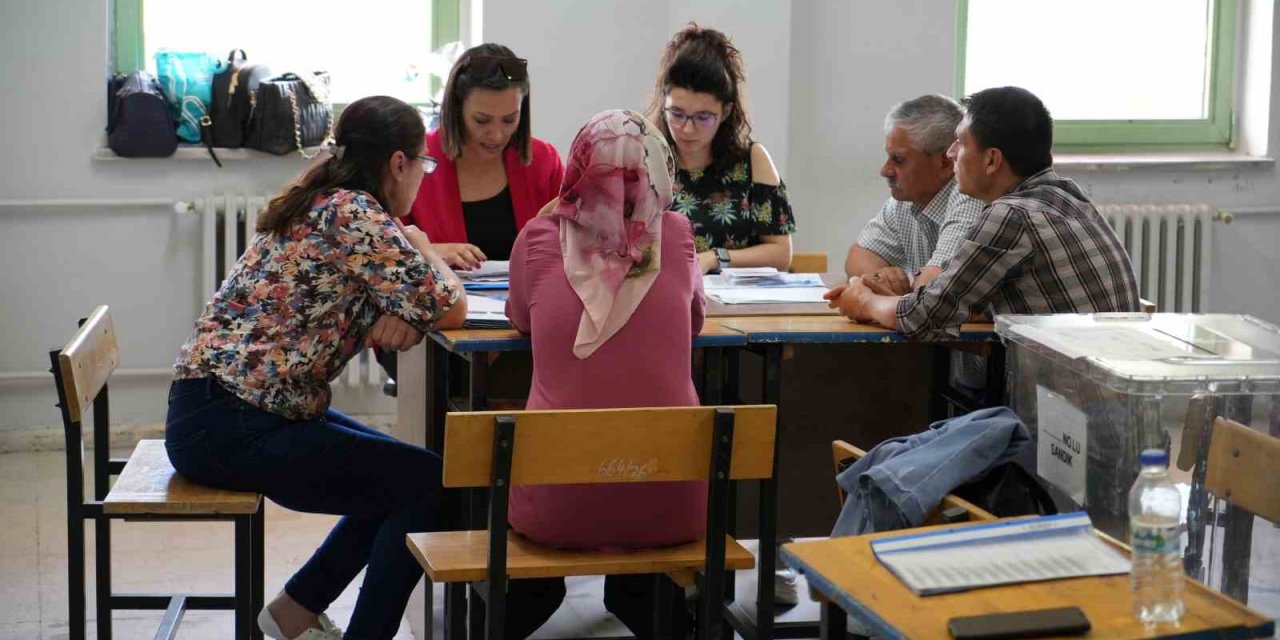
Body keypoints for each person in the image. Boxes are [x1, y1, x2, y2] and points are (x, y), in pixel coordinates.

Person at [165, 95, 466, 640]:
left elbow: (397, 294)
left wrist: (404, 308)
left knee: (407, 474)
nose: (423, 177)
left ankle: (292, 614)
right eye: (424, 165)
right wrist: (423, 247)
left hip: (219, 412)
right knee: (424, 483)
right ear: (398, 163)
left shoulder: (327, 199)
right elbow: (451, 307)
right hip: (235, 424)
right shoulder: (355, 213)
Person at [500, 109, 706, 638]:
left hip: (555, 506)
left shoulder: (538, 238)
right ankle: (646, 601)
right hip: (670, 503)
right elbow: (695, 321)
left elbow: (521, 318)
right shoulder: (677, 235)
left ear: (578, 169)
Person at [826, 86, 1140, 339]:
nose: (951, 154)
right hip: (1102, 382)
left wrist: (865, 302)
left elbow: (926, 316)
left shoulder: (1011, 215)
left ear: (991, 160)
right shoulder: (1068, 196)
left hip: (1068, 394)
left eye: (960, 144)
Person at [647, 24, 796, 274]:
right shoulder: (644, 158)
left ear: (725, 112)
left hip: (734, 296)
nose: (687, 129)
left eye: (703, 117)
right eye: (677, 114)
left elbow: (781, 254)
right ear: (663, 103)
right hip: (665, 291)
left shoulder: (752, 160)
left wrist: (714, 258)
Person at [407, 43, 564, 270]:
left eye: (509, 120)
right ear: (457, 109)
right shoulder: (418, 160)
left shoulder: (543, 160)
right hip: (444, 292)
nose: (496, 135)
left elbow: (576, 243)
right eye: (481, 120)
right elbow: (381, 250)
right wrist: (431, 252)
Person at [846, 94, 985, 294]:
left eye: (898, 160)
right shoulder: (905, 200)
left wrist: (882, 297)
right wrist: (881, 279)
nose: (885, 171)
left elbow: (936, 289)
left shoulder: (970, 196)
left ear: (945, 163)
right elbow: (859, 255)